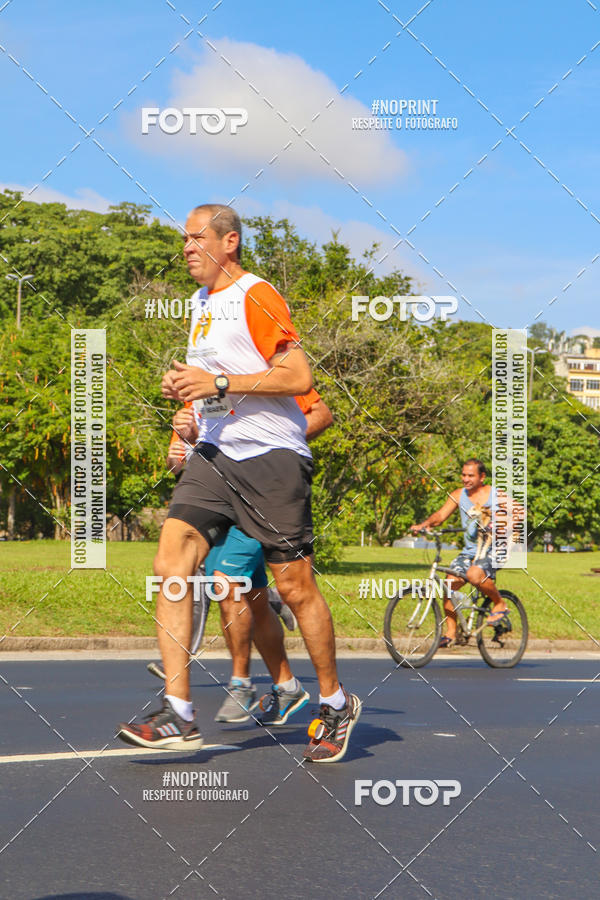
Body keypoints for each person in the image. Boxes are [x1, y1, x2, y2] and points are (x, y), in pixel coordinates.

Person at [118, 203, 360, 761]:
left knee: (295, 587)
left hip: (272, 458)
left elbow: (299, 376)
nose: (186, 247)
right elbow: (212, 389)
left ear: (229, 242)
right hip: (215, 456)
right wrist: (187, 404)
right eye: (183, 239)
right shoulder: (200, 305)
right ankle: (177, 712)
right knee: (170, 562)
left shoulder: (257, 294)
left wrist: (219, 380)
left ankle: (333, 700)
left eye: (197, 237)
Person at [148, 393, 333, 729]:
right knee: (252, 600)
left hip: (260, 490)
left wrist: (273, 442)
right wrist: (184, 442)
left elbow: (321, 413)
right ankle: (286, 686)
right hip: (215, 499)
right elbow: (176, 462)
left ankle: (241, 683)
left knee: (227, 583)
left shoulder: (263, 367)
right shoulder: (197, 391)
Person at [411, 458, 510, 647]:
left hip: (495, 549)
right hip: (471, 552)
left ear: (482, 477)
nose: (465, 479)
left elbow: (516, 513)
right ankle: (451, 633)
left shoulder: (496, 495)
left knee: (474, 574)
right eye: (463, 475)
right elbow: (440, 516)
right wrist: (424, 525)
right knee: (449, 584)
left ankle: (499, 603)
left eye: (470, 475)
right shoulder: (458, 495)